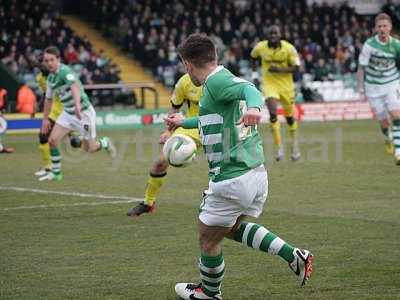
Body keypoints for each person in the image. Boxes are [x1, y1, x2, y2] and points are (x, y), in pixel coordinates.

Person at [165, 33, 313, 300]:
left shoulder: (217, 80)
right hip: (253, 174)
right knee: (229, 228)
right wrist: (182, 122)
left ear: (187, 65)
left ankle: (209, 293)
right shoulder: (215, 86)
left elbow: (250, 89)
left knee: (207, 239)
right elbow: (210, 119)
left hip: (233, 178)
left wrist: (256, 108)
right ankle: (294, 255)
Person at [126, 73, 202, 217]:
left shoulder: (218, 79)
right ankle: (148, 203)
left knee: (224, 169)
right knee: (160, 163)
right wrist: (168, 130)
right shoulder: (184, 82)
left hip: (219, 127)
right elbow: (175, 109)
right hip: (191, 126)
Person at [38, 46, 116, 181]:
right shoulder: (50, 78)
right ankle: (56, 173)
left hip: (83, 113)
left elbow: (74, 87)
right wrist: (45, 119)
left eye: (51, 60)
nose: (49, 63)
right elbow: (48, 99)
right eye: (46, 61)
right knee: (52, 140)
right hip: (68, 113)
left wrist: (78, 105)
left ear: (58, 59)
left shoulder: (65, 71)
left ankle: (105, 142)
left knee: (90, 149)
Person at [251, 25, 301, 161]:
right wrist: (255, 73)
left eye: (275, 33)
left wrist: (279, 70)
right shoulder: (260, 47)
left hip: (286, 87)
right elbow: (253, 57)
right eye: (270, 33)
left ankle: (294, 145)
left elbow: (296, 68)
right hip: (269, 85)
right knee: (273, 114)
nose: (273, 35)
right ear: (267, 36)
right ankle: (279, 148)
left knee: (289, 117)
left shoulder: (289, 48)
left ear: (280, 35)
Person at [357, 13, 400, 164]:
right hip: (373, 87)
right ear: (375, 28)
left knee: (396, 115)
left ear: (390, 27)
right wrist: (360, 89)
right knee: (384, 122)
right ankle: (387, 138)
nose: (382, 29)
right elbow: (361, 68)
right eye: (379, 26)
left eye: (385, 26)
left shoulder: (396, 45)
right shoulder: (369, 45)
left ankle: (399, 152)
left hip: (391, 83)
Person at [34, 62, 82, 176]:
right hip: (54, 111)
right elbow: (46, 95)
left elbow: (74, 86)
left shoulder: (60, 73)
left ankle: (77, 135)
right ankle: (48, 167)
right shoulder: (40, 78)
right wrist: (37, 106)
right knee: (43, 136)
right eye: (40, 65)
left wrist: (77, 104)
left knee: (76, 143)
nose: (42, 66)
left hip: (65, 109)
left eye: (44, 63)